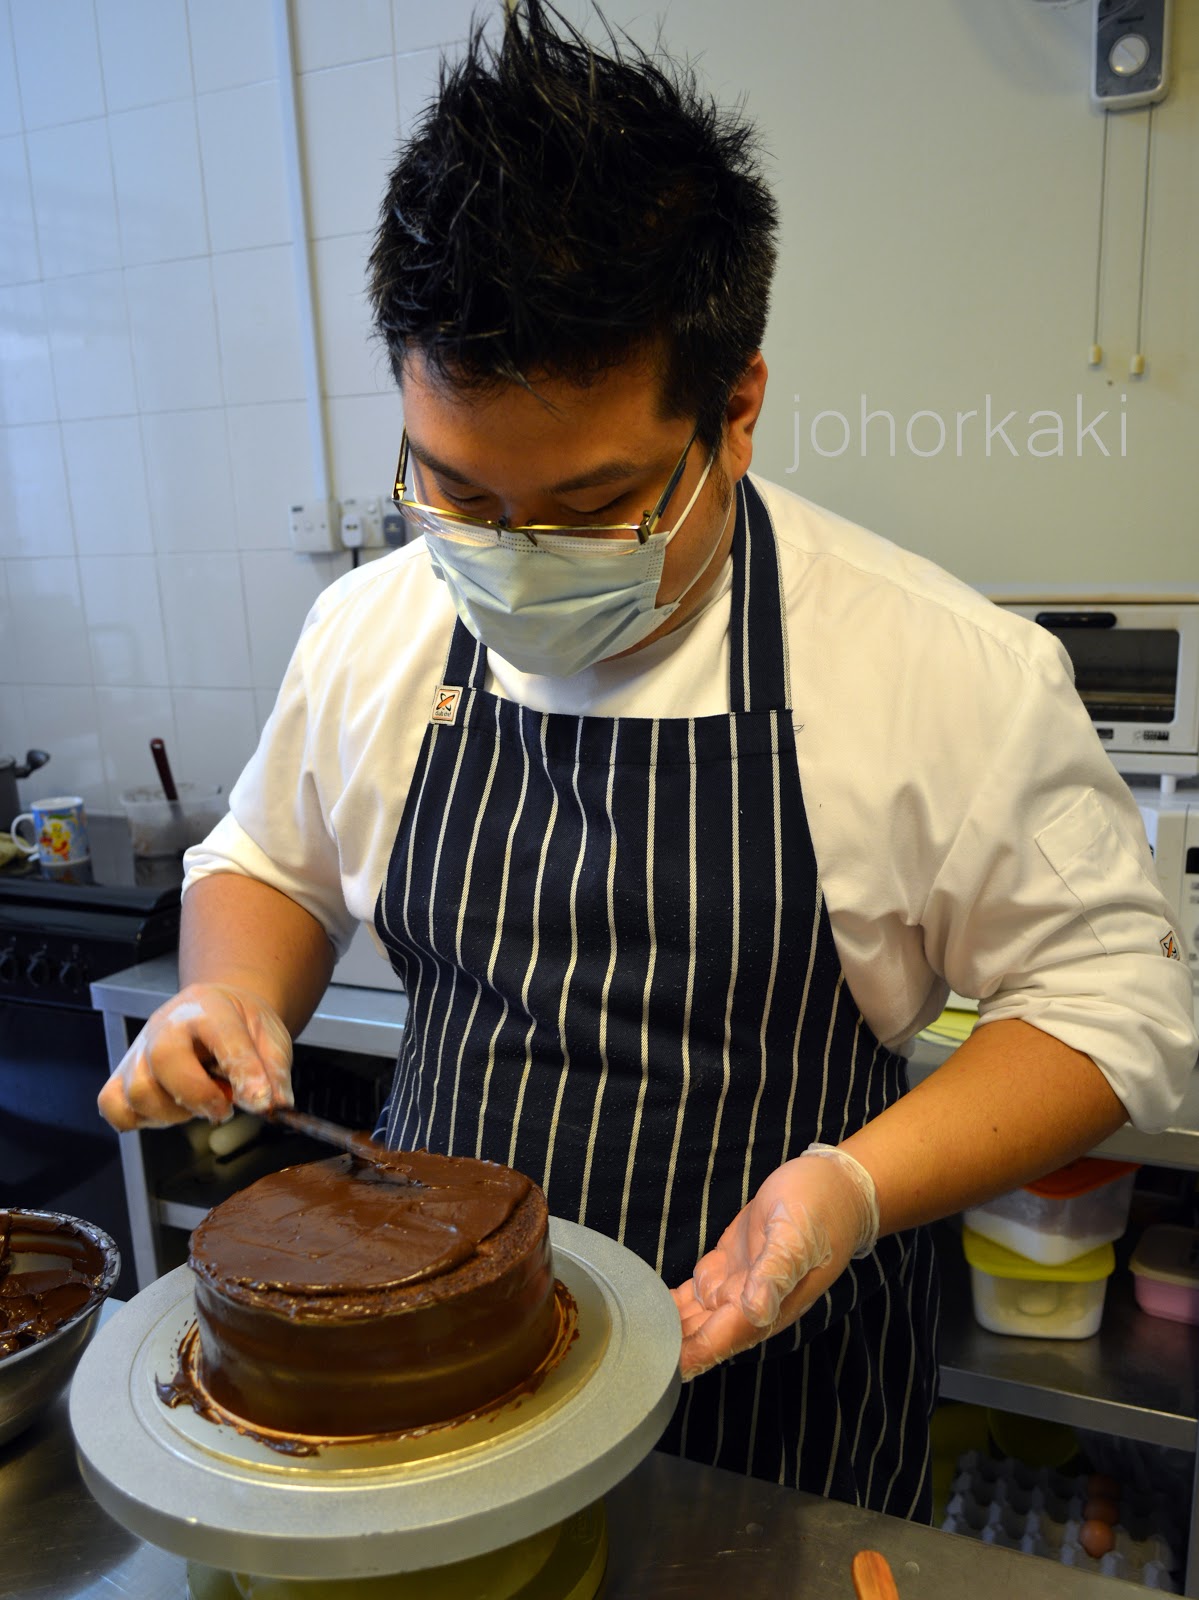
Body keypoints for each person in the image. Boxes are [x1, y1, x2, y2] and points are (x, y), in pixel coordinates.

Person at [99, 3, 1196, 1520]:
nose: (507, 556)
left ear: (734, 412)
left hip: (767, 1398)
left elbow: (1112, 1006)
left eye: (590, 506)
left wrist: (854, 1187)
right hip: (418, 1390)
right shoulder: (372, 627)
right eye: (454, 490)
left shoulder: (938, 667)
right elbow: (270, 862)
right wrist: (229, 993)